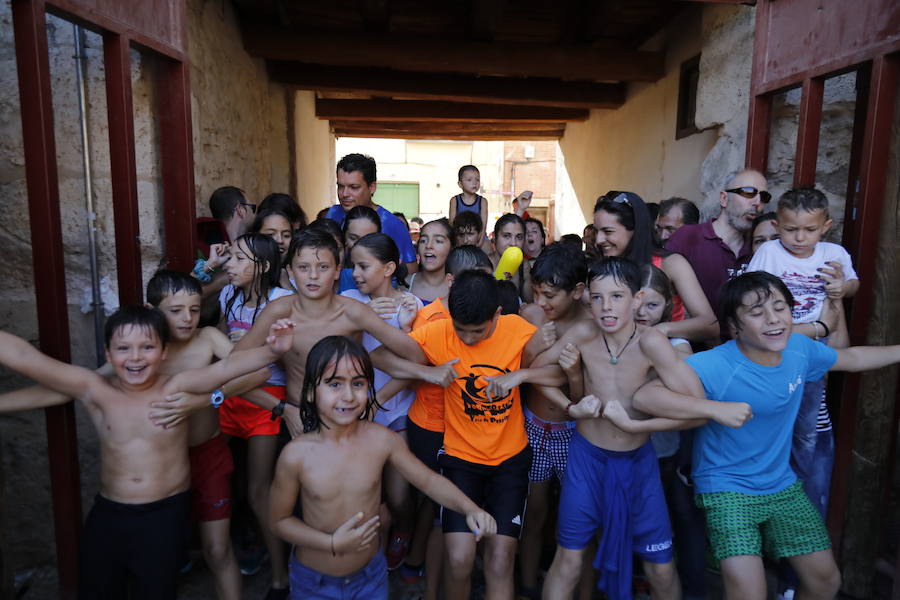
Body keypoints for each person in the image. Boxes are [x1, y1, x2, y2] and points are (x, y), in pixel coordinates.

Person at [633, 270, 900, 600]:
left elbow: (852, 357)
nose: (774, 320)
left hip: (781, 484)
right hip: (726, 488)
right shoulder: (717, 364)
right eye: (757, 313)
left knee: (824, 581)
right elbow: (646, 397)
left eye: (780, 307)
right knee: (750, 593)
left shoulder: (799, 349)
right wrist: (715, 409)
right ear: (734, 326)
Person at [0, 306, 295, 599]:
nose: (135, 357)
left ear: (164, 352)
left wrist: (271, 351)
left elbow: (224, 369)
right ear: (108, 354)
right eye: (123, 348)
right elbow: (26, 357)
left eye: (147, 347)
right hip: (110, 513)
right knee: (96, 588)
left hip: (164, 515)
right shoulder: (96, 390)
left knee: (156, 589)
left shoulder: (175, 388)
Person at [534, 257, 729, 600]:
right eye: (597, 297)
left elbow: (696, 407)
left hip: (638, 463)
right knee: (569, 560)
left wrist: (640, 420)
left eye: (617, 297)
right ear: (587, 299)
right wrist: (569, 405)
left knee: (661, 566)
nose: (606, 307)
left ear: (636, 299)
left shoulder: (651, 343)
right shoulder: (582, 333)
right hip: (586, 460)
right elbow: (538, 370)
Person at [374, 270, 562, 599]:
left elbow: (561, 372)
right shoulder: (438, 332)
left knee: (501, 561)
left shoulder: (518, 330)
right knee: (459, 559)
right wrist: (426, 372)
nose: (469, 338)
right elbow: (377, 356)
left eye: (478, 331)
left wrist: (521, 375)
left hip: (510, 462)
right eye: (461, 330)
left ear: (497, 315)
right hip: (460, 461)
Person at [269, 336, 496, 599]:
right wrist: (330, 543)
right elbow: (279, 521)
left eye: (358, 383)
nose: (348, 395)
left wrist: (469, 508)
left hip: (370, 578)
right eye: (334, 384)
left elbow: (428, 481)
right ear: (310, 392)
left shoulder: (381, 440)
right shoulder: (296, 455)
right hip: (314, 583)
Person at [340, 232, 424, 569]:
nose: (355, 274)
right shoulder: (348, 299)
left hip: (399, 411)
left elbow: (417, 364)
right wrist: (364, 317)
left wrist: (379, 400)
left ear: (389, 268)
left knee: (401, 494)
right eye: (353, 266)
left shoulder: (411, 305)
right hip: (356, 414)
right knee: (364, 494)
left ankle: (404, 527)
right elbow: (342, 353)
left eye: (363, 266)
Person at [217, 233, 295, 593]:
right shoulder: (228, 295)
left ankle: (280, 575)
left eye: (238, 259)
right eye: (230, 257)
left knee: (258, 491)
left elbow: (277, 358)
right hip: (230, 397)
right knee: (226, 482)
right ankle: (231, 550)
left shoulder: (280, 301)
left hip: (267, 398)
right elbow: (219, 345)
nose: (230, 266)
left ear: (262, 267)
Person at [517, 243, 592, 600]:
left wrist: (540, 361)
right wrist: (533, 346)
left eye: (549, 295)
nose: (541, 301)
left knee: (579, 521)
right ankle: (530, 584)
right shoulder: (533, 316)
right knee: (534, 512)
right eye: (536, 292)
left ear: (577, 291)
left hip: (573, 432)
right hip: (532, 426)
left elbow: (563, 382)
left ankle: (582, 591)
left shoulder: (590, 325)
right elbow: (516, 370)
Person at [593, 191, 718, 342]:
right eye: (596, 231)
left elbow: (709, 325)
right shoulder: (602, 268)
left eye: (607, 231)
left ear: (635, 230)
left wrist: (661, 329)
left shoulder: (671, 263)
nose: (598, 240)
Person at [665, 169, 770, 313]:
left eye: (764, 196)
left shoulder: (761, 244)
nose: (757, 202)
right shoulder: (687, 237)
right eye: (748, 192)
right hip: (696, 334)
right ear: (724, 199)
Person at [325, 153, 418, 273]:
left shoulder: (393, 224)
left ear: (372, 187)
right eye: (340, 186)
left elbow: (411, 271)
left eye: (354, 187)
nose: (344, 194)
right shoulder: (332, 214)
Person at [488, 213, 532, 302]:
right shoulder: (483, 263)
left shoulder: (524, 266)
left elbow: (529, 301)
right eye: (506, 236)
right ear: (494, 237)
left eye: (519, 237)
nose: (513, 243)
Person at [409, 219, 454, 305]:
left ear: (452, 248)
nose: (428, 246)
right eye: (423, 241)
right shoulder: (404, 286)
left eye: (438, 241)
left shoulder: (460, 289)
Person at [339, 206, 382, 293]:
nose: (360, 245)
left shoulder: (384, 274)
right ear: (344, 237)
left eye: (367, 239)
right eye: (353, 238)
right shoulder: (331, 271)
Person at [251, 208, 296, 290]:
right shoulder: (238, 276)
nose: (280, 240)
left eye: (286, 235)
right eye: (270, 234)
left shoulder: (300, 274)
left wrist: (288, 286)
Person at [448, 165, 489, 245]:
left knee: (487, 247)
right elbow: (452, 224)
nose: (474, 183)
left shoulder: (482, 201)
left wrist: (479, 244)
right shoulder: (455, 201)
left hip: (478, 238)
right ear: (460, 184)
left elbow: (483, 226)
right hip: (460, 238)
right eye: (469, 180)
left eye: (477, 180)